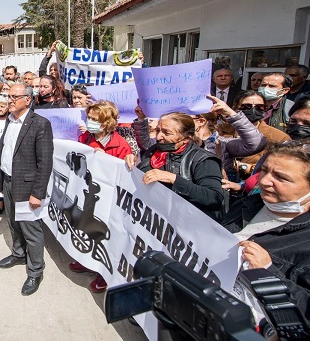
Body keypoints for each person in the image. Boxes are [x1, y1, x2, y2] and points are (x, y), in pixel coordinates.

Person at [221, 140, 310, 325]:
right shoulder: (245, 205)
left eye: (281, 177)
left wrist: (268, 272)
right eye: (265, 170)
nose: (264, 181)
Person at [70, 101, 135, 291]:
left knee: (104, 235)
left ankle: (103, 274)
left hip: (108, 199)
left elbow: (123, 175)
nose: (89, 122)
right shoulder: (85, 137)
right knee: (85, 228)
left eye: (94, 119)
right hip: (87, 192)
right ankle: (85, 260)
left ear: (106, 123)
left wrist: (104, 160)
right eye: (89, 118)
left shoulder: (121, 146)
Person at [0, 83, 53, 296]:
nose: (9, 100)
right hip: (9, 182)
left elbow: (45, 162)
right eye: (8, 96)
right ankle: (18, 254)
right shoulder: (10, 121)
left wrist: (37, 193)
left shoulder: (40, 124)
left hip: (28, 187)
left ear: (27, 100)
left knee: (31, 230)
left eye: (14, 97)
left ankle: (35, 270)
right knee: (13, 223)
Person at [127, 112, 224, 220]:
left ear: (186, 139)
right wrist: (133, 165)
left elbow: (213, 199)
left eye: (166, 133)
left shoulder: (203, 159)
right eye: (158, 130)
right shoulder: (152, 151)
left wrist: (173, 179)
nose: (158, 137)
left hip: (183, 226)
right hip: (148, 221)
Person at [221, 90, 289, 183]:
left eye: (259, 107)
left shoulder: (278, 137)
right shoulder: (219, 131)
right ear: (234, 108)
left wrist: (246, 168)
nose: (253, 110)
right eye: (246, 106)